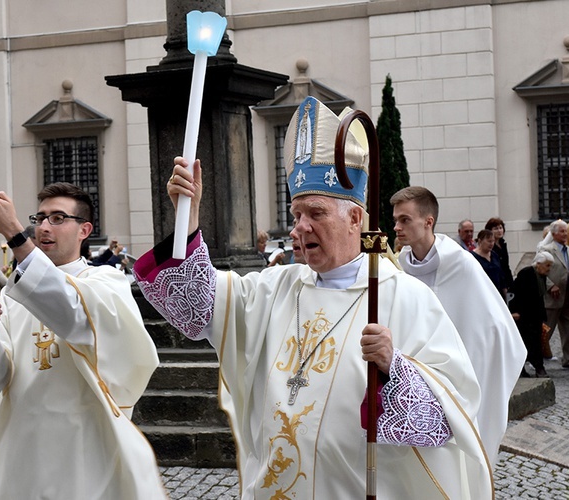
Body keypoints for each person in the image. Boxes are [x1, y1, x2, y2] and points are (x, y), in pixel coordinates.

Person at [135, 97, 491, 498]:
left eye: (316, 213)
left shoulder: (405, 297)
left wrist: (396, 366)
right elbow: (197, 304)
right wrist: (189, 216)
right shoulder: (276, 287)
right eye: (295, 214)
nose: (300, 228)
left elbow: (454, 408)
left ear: (355, 218)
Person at [0, 182, 164, 499]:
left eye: (58, 218)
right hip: (23, 448)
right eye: (40, 219)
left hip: (85, 444)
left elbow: (73, 314)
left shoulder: (106, 283)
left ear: (84, 229)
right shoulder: (13, 294)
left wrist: (14, 234)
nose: (44, 228)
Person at [390, 185, 526, 465]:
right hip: (416, 378)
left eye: (405, 220)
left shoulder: (461, 264)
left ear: (428, 222)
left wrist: (472, 370)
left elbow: (495, 328)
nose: (396, 227)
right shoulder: (400, 267)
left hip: (457, 379)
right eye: (395, 220)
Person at [510, 251, 553, 378]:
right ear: (538, 264)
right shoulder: (526, 274)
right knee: (525, 342)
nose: (549, 269)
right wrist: (514, 311)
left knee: (536, 342)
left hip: (535, 315)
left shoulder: (541, 275)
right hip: (524, 315)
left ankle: (538, 367)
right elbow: (516, 293)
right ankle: (526, 368)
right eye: (547, 265)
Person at [539, 219, 569, 367]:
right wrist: (551, 286)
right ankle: (536, 358)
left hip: (567, 296)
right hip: (553, 296)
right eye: (562, 231)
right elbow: (539, 269)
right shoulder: (547, 249)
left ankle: (568, 358)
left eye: (566, 231)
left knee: (567, 330)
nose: (565, 234)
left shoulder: (568, 249)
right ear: (554, 233)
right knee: (546, 329)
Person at [471, 229, 506, 298]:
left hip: (497, 292)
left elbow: (501, 275)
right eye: (489, 241)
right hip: (482, 293)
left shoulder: (494, 255)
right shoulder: (472, 257)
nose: (491, 244)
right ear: (480, 241)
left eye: (493, 241)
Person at [486, 217, 514, 292]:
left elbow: (506, 266)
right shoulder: (490, 247)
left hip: (506, 279)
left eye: (500, 228)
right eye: (496, 228)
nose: (499, 231)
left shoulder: (503, 244)